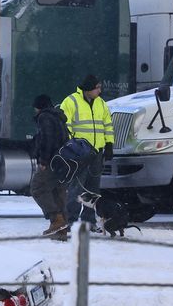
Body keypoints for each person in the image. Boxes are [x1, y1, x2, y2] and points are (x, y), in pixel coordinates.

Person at [60, 74, 114, 231]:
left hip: (96, 152)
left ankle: (89, 220)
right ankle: (70, 220)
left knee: (93, 188)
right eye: (97, 87)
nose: (100, 90)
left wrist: (109, 144)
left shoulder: (101, 103)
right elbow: (64, 126)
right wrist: (72, 147)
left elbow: (107, 125)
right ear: (89, 89)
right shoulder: (71, 102)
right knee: (77, 187)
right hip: (79, 154)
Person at [29, 94, 71, 241]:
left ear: (39, 106)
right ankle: (61, 230)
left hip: (52, 160)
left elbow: (48, 139)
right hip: (63, 160)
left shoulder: (44, 117)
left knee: (37, 188)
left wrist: (44, 161)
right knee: (57, 191)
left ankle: (56, 219)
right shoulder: (58, 116)